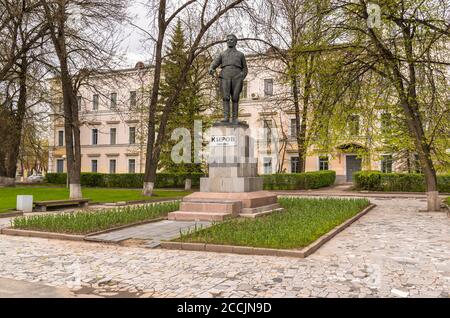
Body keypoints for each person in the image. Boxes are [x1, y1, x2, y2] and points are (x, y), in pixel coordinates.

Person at [209, 34, 248, 124]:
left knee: (235, 98)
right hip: (225, 75)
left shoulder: (240, 55)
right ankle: (226, 117)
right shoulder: (222, 54)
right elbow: (215, 63)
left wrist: (242, 77)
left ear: (235, 42)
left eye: (231, 39)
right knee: (225, 97)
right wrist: (211, 68)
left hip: (237, 76)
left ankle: (235, 118)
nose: (229, 41)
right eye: (228, 40)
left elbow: (245, 68)